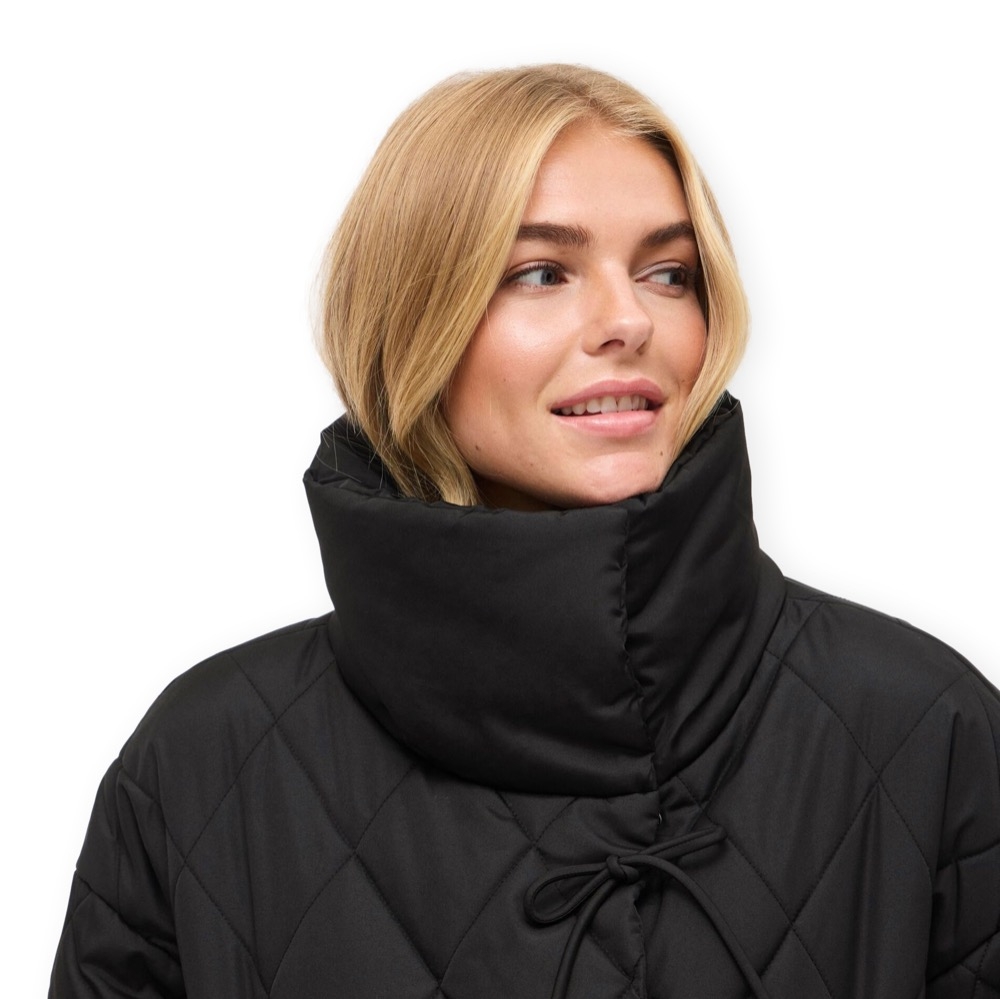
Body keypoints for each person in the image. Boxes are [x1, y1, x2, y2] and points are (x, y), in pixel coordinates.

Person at [50, 64, 1000, 998]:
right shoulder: (204, 766)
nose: (628, 320)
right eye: (542, 273)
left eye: (668, 273)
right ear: (413, 320)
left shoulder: (926, 733)